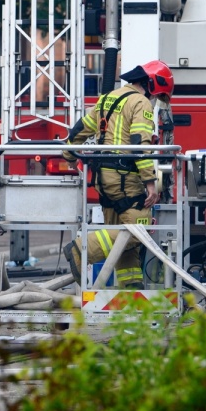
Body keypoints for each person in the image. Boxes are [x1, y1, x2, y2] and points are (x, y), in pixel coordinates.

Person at [61, 60, 174, 289]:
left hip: (104, 179)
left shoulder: (108, 98)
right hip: (125, 179)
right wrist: (150, 183)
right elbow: (140, 144)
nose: (155, 100)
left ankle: (130, 287)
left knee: (123, 236)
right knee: (137, 232)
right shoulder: (140, 102)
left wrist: (69, 155)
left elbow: (80, 128)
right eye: (157, 95)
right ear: (151, 84)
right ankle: (81, 250)